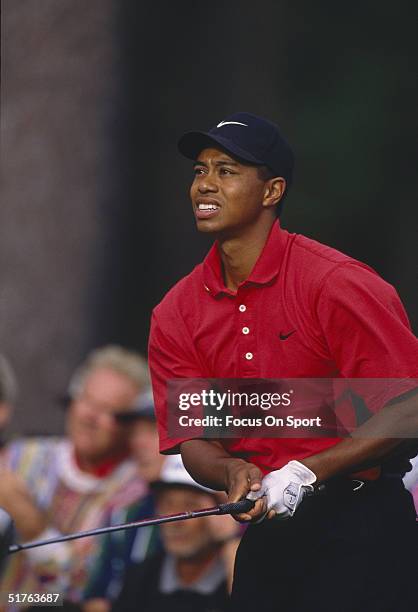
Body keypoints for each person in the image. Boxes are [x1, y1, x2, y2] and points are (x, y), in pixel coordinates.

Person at [148, 112, 418, 612]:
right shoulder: (175, 312)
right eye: (199, 170)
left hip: (364, 526)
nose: (205, 183)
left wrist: (308, 471)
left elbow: (411, 406)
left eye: (226, 170)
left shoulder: (335, 282)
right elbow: (194, 440)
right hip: (270, 530)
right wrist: (231, 469)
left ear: (272, 191)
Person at [0, 345, 149, 605]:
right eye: (87, 400)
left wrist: (32, 524)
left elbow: (85, 593)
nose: (90, 416)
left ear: (131, 424)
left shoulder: (135, 496)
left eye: (108, 411)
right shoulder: (22, 456)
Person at [113, 454, 240, 612]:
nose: (175, 519)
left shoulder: (237, 576)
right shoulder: (140, 578)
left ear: (221, 511)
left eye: (190, 505)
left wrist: (230, 541)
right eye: (167, 504)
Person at [82, 389, 165, 612]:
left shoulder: (228, 513)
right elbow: (96, 596)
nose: (138, 443)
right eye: (134, 433)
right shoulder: (123, 515)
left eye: (152, 430)